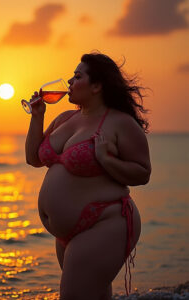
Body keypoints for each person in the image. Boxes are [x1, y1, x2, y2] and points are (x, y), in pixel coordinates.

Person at [25, 52, 151, 300]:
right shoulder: (65, 118)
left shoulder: (120, 123)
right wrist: (37, 117)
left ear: (97, 85)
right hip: (67, 233)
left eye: (77, 76)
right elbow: (34, 159)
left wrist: (107, 159)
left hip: (105, 222)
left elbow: (143, 173)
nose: (70, 82)